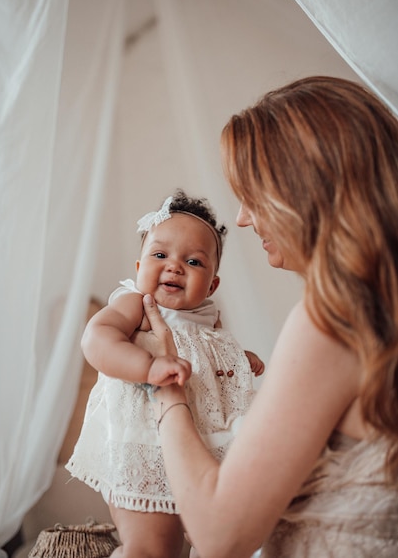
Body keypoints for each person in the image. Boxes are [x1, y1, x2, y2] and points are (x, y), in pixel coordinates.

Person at [135, 77, 398, 558]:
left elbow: (219, 535)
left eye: (254, 195)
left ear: (308, 189)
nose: (242, 218)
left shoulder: (334, 318)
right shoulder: (382, 310)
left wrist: (164, 387)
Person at [66, 190, 264, 558]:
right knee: (151, 549)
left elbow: (207, 359)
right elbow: (97, 339)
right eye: (160, 255)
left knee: (207, 547)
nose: (174, 267)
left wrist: (239, 359)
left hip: (201, 453)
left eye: (193, 261)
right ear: (139, 268)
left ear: (212, 285)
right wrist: (149, 366)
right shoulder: (137, 304)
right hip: (144, 447)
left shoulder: (208, 317)